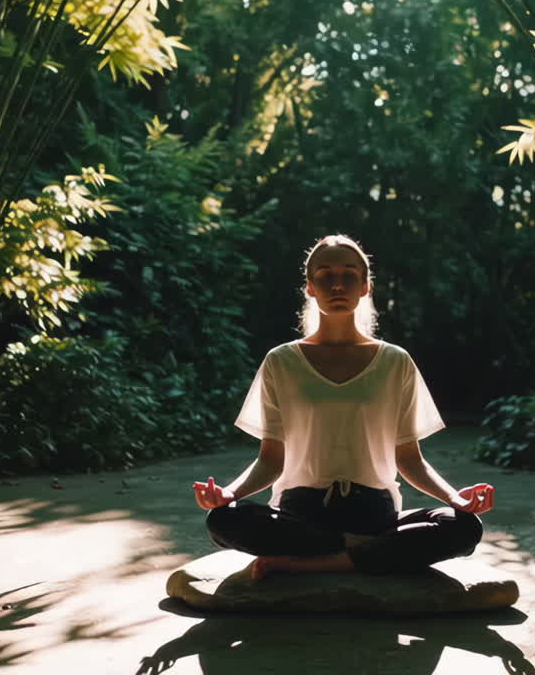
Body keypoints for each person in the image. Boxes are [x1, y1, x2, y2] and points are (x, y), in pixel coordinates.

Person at [192, 234, 495, 580]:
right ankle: (361, 553)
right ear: (309, 287)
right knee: (222, 520)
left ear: (365, 286)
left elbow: (409, 459)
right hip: (300, 514)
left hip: (374, 512)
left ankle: (320, 562)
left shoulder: (396, 362)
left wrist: (456, 497)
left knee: (464, 526)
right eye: (324, 275)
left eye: (350, 274)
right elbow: (271, 459)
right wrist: (228, 493)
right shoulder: (281, 361)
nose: (337, 284)